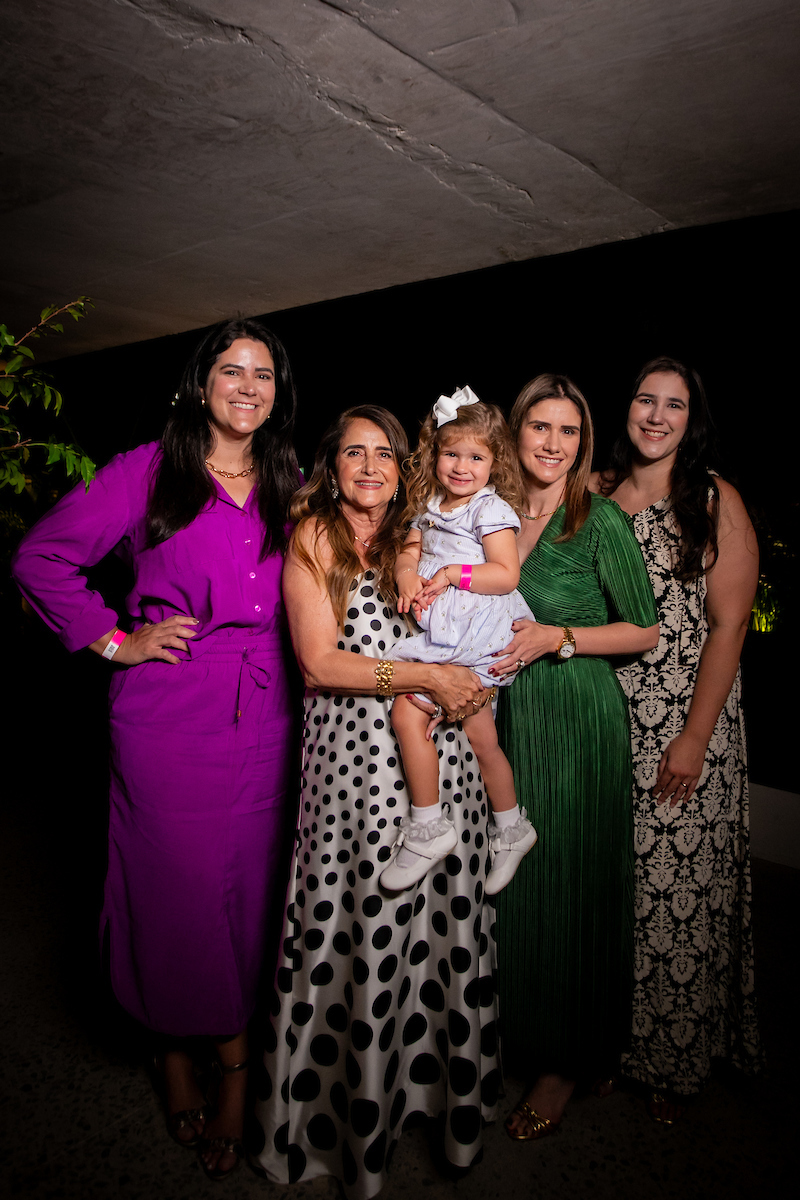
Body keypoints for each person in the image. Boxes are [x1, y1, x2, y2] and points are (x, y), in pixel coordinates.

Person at [12, 318, 300, 1181]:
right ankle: (195, 1061)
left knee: (250, 897)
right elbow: (40, 559)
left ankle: (209, 1052)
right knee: (173, 892)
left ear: (278, 392)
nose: (247, 385)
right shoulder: (149, 468)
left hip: (272, 708)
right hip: (170, 712)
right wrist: (114, 641)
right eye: (230, 370)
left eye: (264, 373)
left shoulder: (290, 478)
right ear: (200, 383)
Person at [251, 405, 501, 1200]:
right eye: (352, 453)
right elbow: (321, 664)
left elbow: (489, 599)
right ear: (331, 465)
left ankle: (429, 1100)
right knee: (354, 925)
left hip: (441, 760)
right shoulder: (315, 535)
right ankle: (340, 1125)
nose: (369, 467)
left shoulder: (423, 534)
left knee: (436, 934)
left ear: (404, 467)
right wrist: (427, 676)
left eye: (384, 454)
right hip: (355, 777)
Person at [489, 373, 659, 1140]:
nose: (553, 445)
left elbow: (645, 630)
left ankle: (566, 1062)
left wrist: (559, 637)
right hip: (506, 721)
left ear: (581, 441)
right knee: (515, 887)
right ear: (515, 434)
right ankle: (518, 1032)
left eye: (568, 432)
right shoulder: (486, 513)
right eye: (539, 429)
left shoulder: (599, 524)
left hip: (576, 710)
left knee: (571, 882)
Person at [596, 356, 762, 1122]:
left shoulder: (714, 498)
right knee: (617, 898)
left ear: (693, 420)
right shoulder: (596, 492)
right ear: (625, 407)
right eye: (644, 400)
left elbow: (729, 628)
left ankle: (673, 1062)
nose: (656, 416)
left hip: (686, 724)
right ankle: (609, 1045)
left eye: (674, 405)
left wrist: (694, 738)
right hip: (608, 718)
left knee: (678, 901)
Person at [382, 386, 537, 893]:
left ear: (495, 463)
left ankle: (428, 826)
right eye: (451, 453)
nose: (462, 466)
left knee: (408, 712)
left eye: (476, 456)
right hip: (451, 631)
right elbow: (411, 543)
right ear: (434, 454)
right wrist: (408, 571)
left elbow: (507, 574)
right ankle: (512, 827)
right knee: (481, 737)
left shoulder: (488, 509)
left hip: (477, 634)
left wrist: (449, 574)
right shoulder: (430, 503)